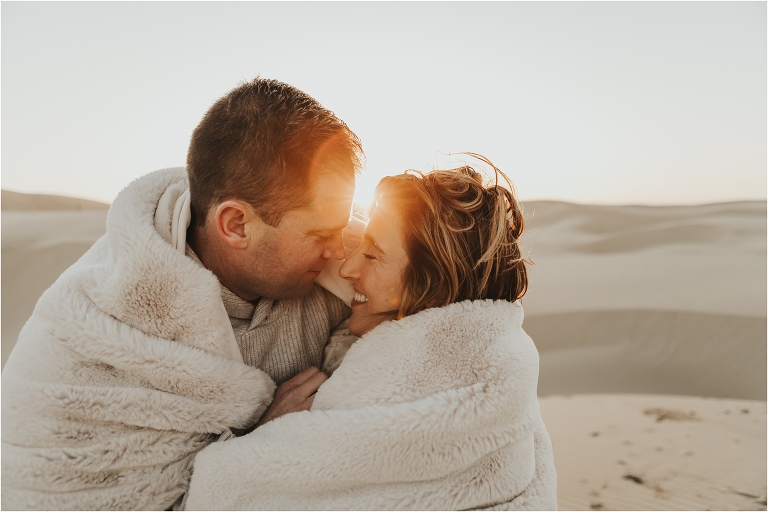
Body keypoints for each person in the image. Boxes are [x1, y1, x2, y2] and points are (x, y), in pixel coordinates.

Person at [1, 78, 363, 510]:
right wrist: (266, 442)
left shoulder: (341, 276)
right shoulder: (90, 330)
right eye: (321, 233)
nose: (342, 250)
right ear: (236, 225)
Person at [185, 155, 558, 510]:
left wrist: (263, 440)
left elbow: (220, 495)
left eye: (374, 254)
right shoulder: (507, 366)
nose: (346, 269)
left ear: (433, 283)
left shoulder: (384, 396)